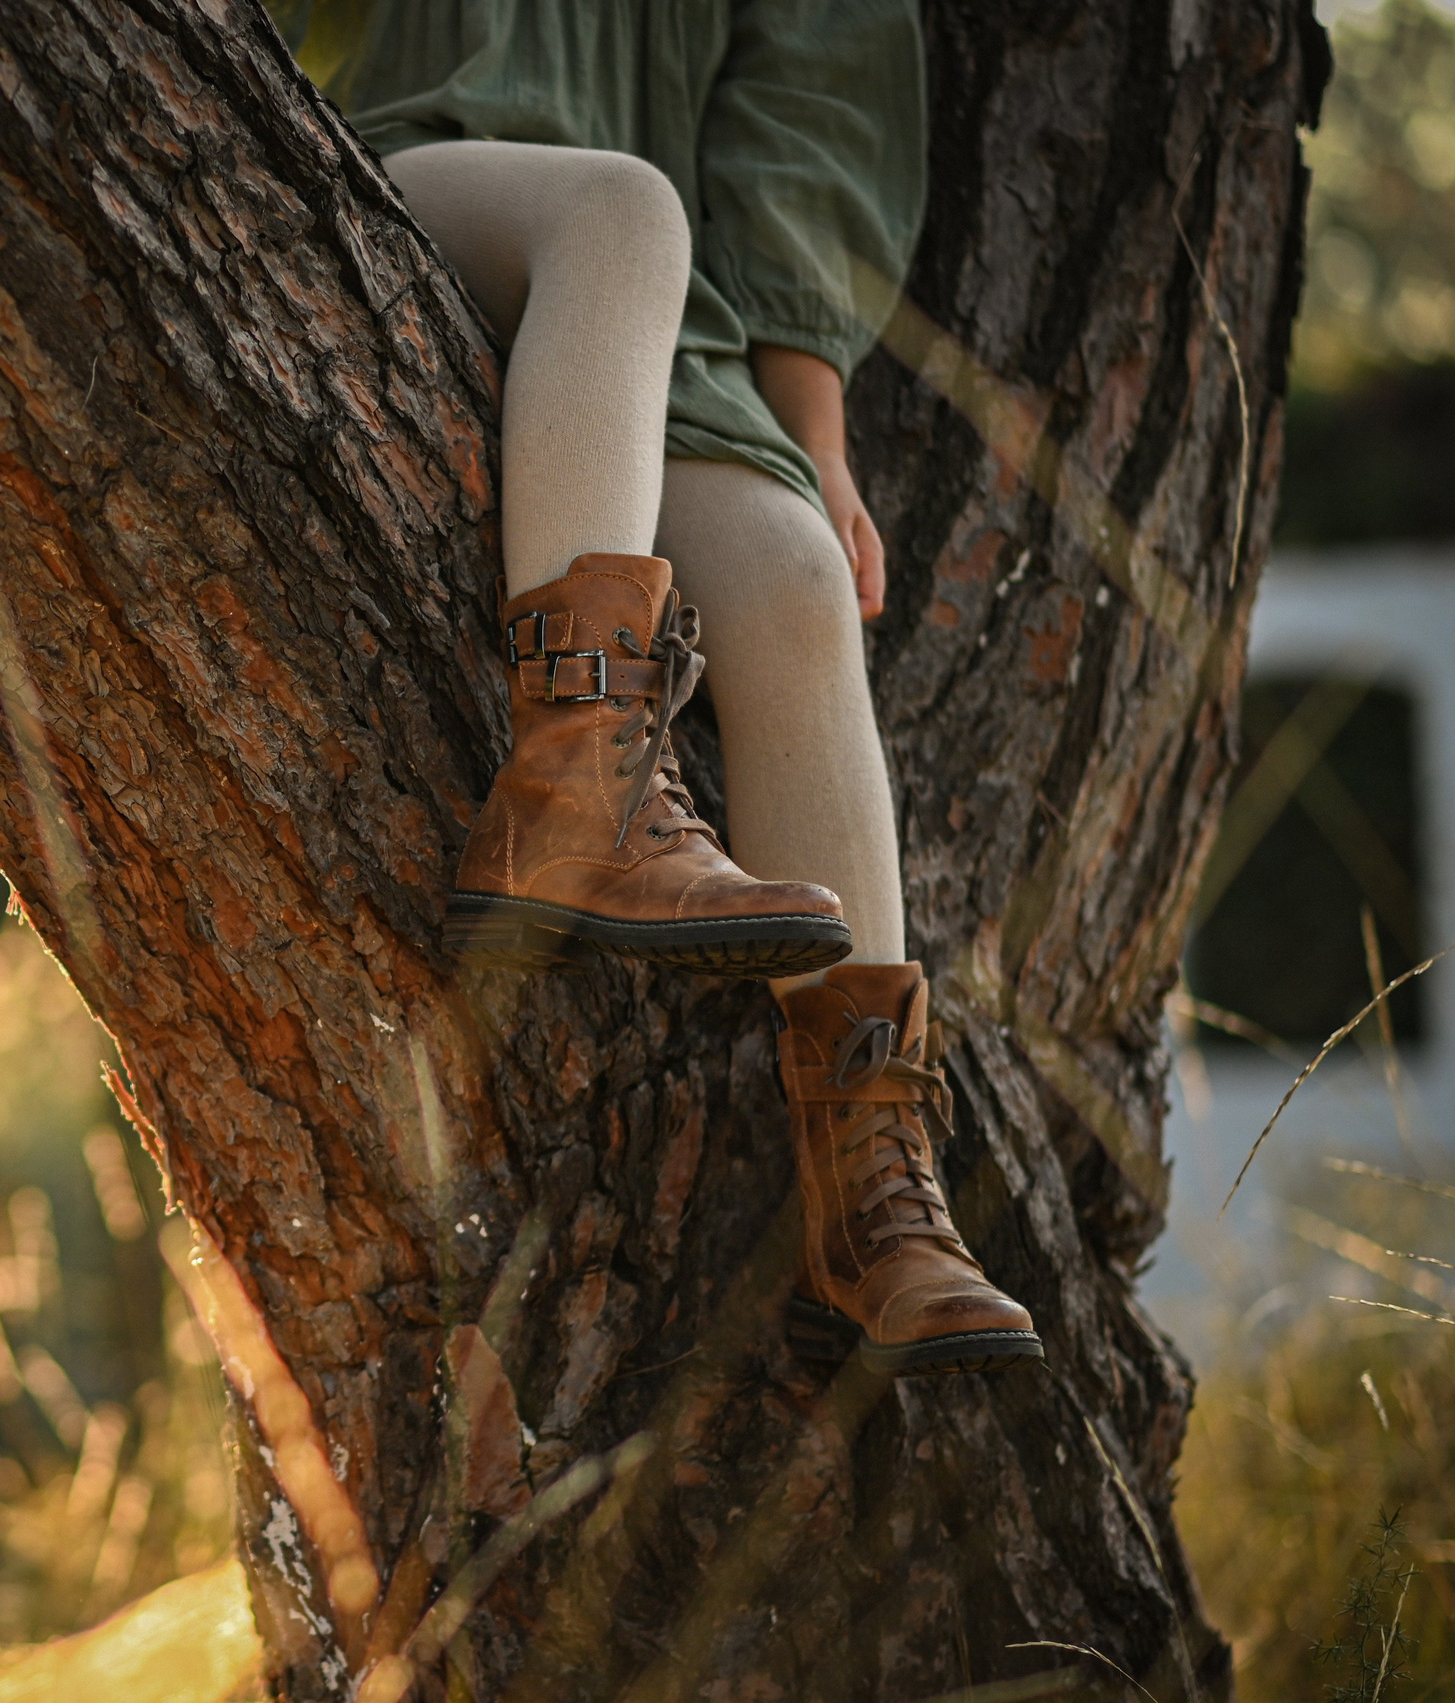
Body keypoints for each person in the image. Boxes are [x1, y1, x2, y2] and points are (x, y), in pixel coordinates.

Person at [279, 0, 1041, 1376]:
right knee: (625, 209)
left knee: (799, 582)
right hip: (401, 184)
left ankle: (873, 1202)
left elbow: (801, 151)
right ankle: (577, 801)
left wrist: (818, 446)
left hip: (656, 340)